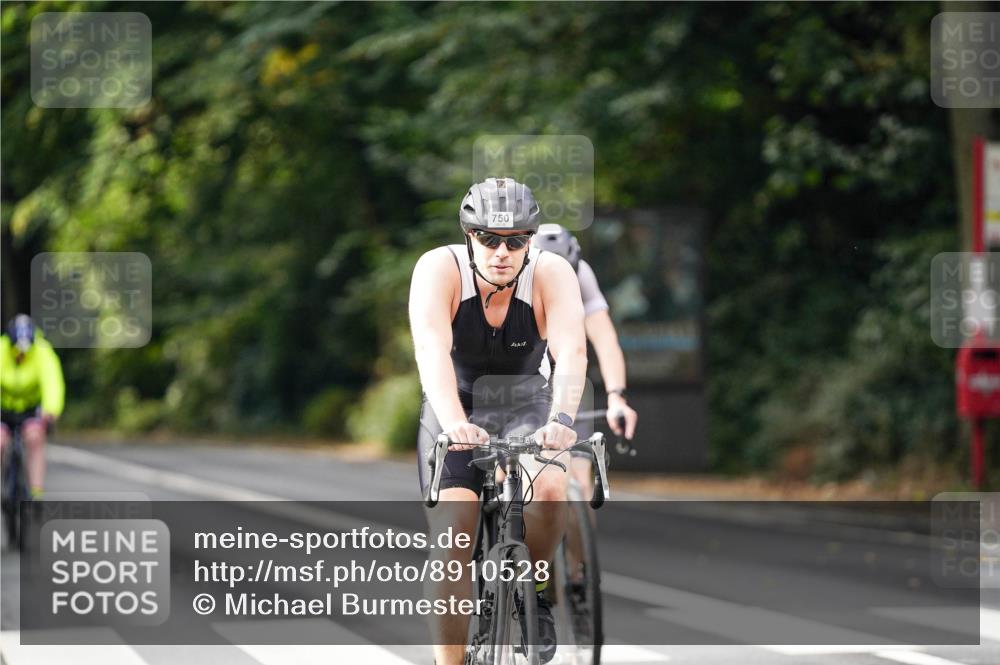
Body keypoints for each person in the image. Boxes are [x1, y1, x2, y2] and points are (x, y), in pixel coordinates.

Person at [410, 177, 588, 665]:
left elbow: (571, 351)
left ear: (531, 239)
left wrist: (563, 419)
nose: (502, 251)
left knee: (552, 487)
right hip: (457, 404)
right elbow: (430, 352)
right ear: (470, 236)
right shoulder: (438, 268)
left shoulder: (552, 273)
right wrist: (453, 423)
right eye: (489, 238)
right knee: (453, 535)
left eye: (515, 240)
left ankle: (537, 590)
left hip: (527, 401)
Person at [533, 223, 638, 441]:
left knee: (575, 459)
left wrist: (616, 396)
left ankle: (577, 475)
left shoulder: (581, 273)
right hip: (520, 370)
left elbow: (605, 340)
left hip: (564, 370)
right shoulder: (510, 274)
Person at [0, 314, 65, 499]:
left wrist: (51, 409)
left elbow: (52, 381)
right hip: (3, 407)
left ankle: (36, 493)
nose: (21, 355)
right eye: (17, 351)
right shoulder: (1, 348)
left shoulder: (42, 350)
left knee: (35, 438)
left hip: (31, 407)